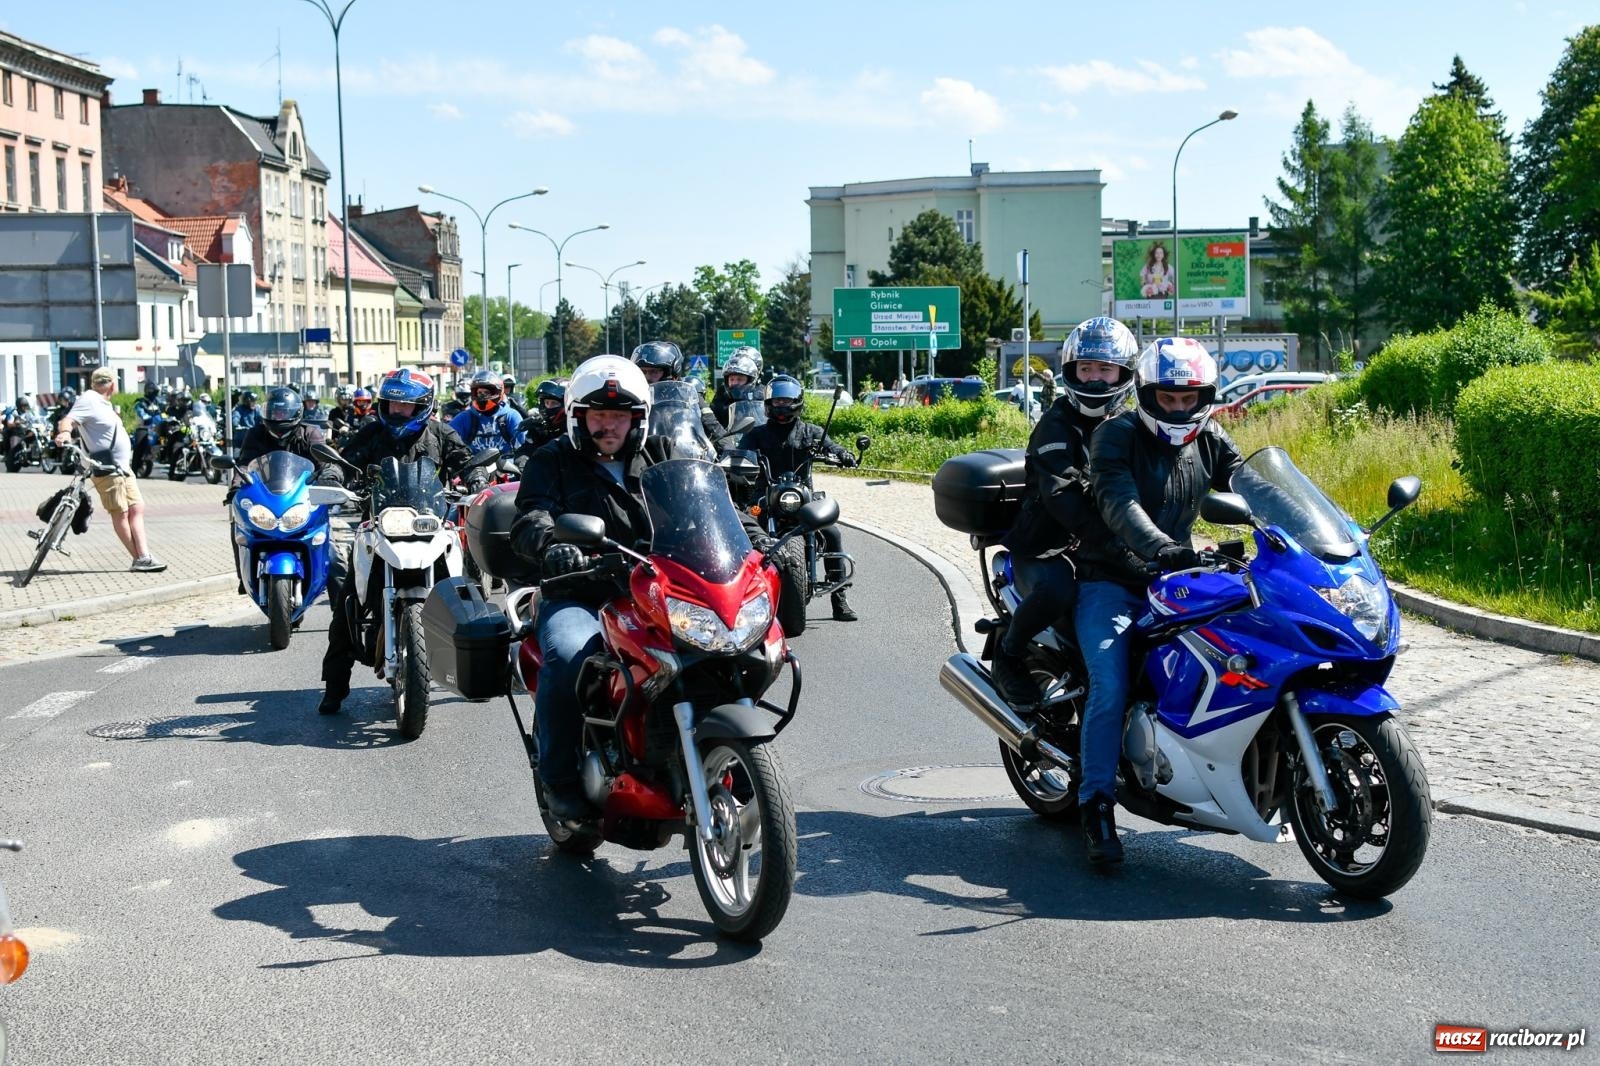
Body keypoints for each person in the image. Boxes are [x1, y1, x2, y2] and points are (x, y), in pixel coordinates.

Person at [510, 355, 725, 821]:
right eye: (598, 414)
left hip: (660, 588)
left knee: (726, 644)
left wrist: (753, 535)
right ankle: (560, 778)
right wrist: (552, 544)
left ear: (638, 418)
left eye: (620, 415)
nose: (609, 425)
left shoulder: (663, 451)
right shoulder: (552, 461)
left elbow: (707, 502)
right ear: (577, 417)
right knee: (570, 656)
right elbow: (531, 516)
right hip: (581, 590)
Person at [1073, 336, 1243, 865]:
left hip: (1180, 578)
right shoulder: (1114, 436)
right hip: (1112, 579)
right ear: (1147, 394)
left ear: (1203, 397)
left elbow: (1255, 484)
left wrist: (1310, 529)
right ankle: (1096, 802)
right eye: (1168, 398)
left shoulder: (1210, 436)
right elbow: (1118, 501)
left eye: (1188, 398)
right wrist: (1161, 548)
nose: (1178, 407)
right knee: (1112, 679)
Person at [991, 317, 1139, 707]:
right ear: (1070, 371)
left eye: (1105, 370)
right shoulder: (1056, 426)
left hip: (1107, 542)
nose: (1093, 379)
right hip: (1048, 544)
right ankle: (1009, 653)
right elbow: (1064, 497)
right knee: (1060, 590)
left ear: (1123, 373)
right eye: (1085, 368)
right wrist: (1119, 546)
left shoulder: (1133, 425)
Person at [318, 368, 481, 715]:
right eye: (392, 404)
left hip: (429, 524)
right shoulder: (372, 433)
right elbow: (347, 461)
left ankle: (477, 671)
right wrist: (334, 474)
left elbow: (465, 461)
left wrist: (476, 476)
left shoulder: (441, 433)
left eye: (405, 406)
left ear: (423, 406)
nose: (396, 411)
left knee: (468, 587)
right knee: (348, 602)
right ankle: (334, 687)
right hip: (381, 524)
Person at [737, 374, 861, 622]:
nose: (782, 405)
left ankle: (839, 600)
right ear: (769, 403)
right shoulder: (756, 434)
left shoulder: (810, 431)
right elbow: (741, 452)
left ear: (797, 401)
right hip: (766, 495)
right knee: (742, 530)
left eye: (787, 400)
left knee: (832, 533)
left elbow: (832, 446)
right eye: (777, 400)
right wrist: (734, 460)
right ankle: (741, 598)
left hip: (803, 494)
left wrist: (844, 454)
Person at [52, 367, 166, 573]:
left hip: (122, 467)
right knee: (120, 513)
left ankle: (144, 556)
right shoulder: (88, 399)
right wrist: (65, 434)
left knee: (136, 508)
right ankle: (140, 558)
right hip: (106, 468)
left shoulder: (102, 403)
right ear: (113, 385)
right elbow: (67, 420)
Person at [633, 340, 726, 446]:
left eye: (654, 372)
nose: (647, 377)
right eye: (643, 371)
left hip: (682, 454)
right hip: (643, 456)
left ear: (672, 373)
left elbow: (712, 424)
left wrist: (730, 451)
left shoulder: (687, 395)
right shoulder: (633, 398)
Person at [450, 368, 524, 457]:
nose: (482, 396)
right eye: (479, 392)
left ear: (497, 393)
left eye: (486, 392)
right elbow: (447, 436)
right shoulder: (465, 417)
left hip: (506, 467)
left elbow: (523, 445)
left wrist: (521, 461)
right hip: (473, 468)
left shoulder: (511, 416)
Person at [512, 378, 567, 465]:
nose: (548, 407)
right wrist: (522, 459)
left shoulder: (574, 429)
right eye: (547, 402)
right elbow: (525, 449)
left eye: (554, 403)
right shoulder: (539, 427)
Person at [710, 349, 761, 429]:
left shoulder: (760, 394)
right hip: (726, 439)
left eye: (740, 379)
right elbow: (712, 420)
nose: (735, 383)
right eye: (732, 379)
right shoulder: (721, 397)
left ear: (750, 380)